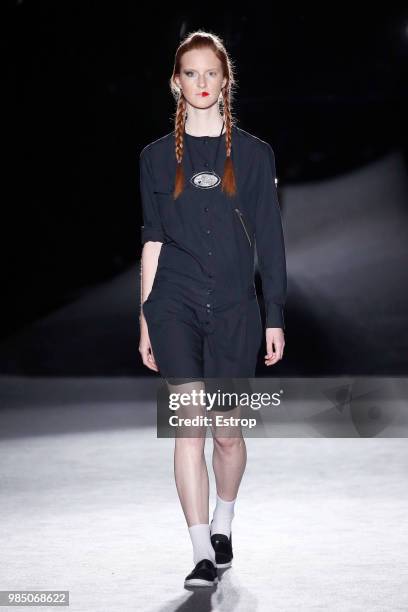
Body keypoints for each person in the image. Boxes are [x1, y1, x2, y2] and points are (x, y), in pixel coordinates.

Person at [139, 30, 287, 588]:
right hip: (173, 302)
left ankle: (224, 520)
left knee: (226, 434)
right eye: (190, 74)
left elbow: (270, 240)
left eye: (211, 73)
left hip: (233, 307)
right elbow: (152, 239)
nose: (202, 83)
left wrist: (274, 313)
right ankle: (201, 549)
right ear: (176, 84)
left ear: (225, 81)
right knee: (190, 430)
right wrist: (145, 317)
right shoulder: (154, 159)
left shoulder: (253, 155)